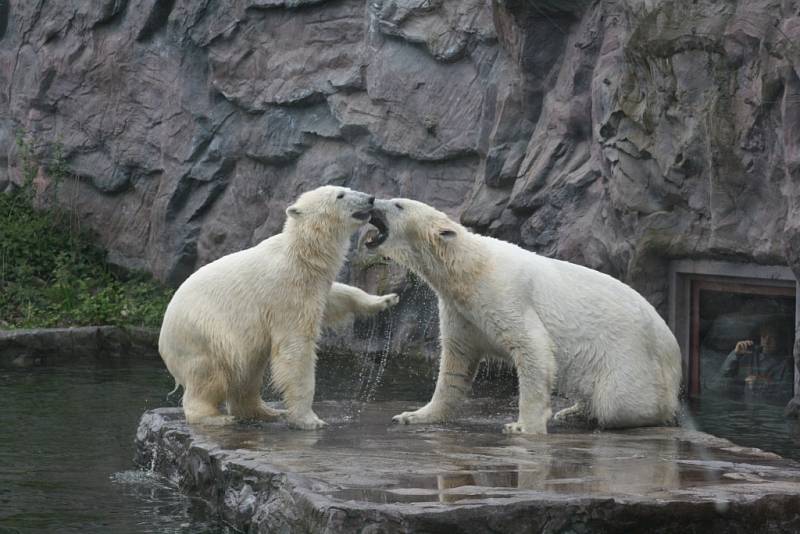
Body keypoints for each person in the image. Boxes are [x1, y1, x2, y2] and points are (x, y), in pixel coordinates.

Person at [714, 320, 794, 398]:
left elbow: (785, 394)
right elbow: (722, 377)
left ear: (780, 339)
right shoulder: (748, 354)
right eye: (764, 336)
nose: (766, 341)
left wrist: (764, 383)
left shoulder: (785, 364)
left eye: (772, 337)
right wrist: (735, 354)